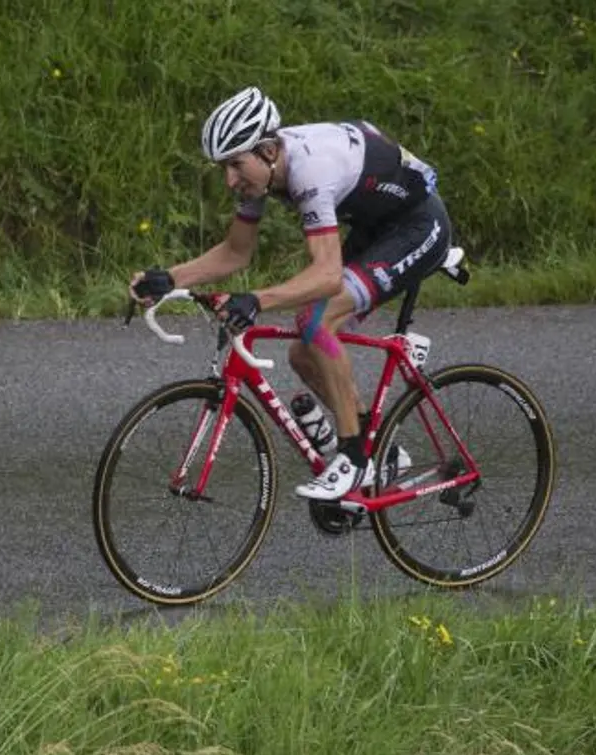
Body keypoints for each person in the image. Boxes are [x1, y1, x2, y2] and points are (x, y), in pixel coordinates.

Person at [129, 86, 453, 501]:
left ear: (266, 150)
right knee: (303, 351)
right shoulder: (263, 174)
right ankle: (381, 451)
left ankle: (355, 460)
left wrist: (257, 300)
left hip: (418, 227)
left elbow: (326, 275)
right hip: (378, 226)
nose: (229, 180)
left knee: (317, 322)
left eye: (234, 165)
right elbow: (235, 252)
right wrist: (169, 279)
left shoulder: (309, 171)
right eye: (223, 168)